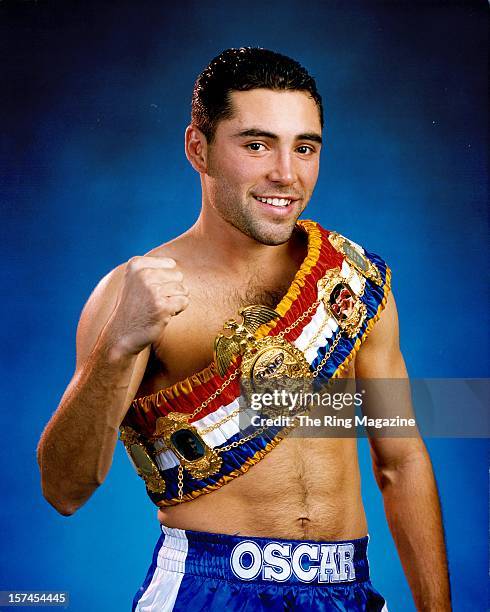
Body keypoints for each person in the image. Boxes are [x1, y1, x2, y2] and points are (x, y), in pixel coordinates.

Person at [37, 48, 451, 611]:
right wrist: (116, 347)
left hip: (348, 589)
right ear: (198, 149)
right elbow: (64, 490)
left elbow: (401, 462)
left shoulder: (351, 281)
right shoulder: (132, 293)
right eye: (256, 144)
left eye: (304, 147)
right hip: (208, 589)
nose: (286, 173)